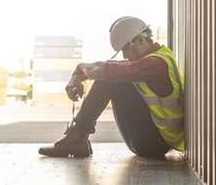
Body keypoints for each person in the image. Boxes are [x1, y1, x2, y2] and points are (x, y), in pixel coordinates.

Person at [38, 16, 184, 158]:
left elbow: (113, 71)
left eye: (126, 49)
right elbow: (114, 67)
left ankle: (76, 140)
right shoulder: (157, 57)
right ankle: (77, 139)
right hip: (159, 140)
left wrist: (81, 70)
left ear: (140, 39)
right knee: (112, 77)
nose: (125, 55)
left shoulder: (155, 63)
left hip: (155, 144)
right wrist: (77, 74)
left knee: (109, 80)